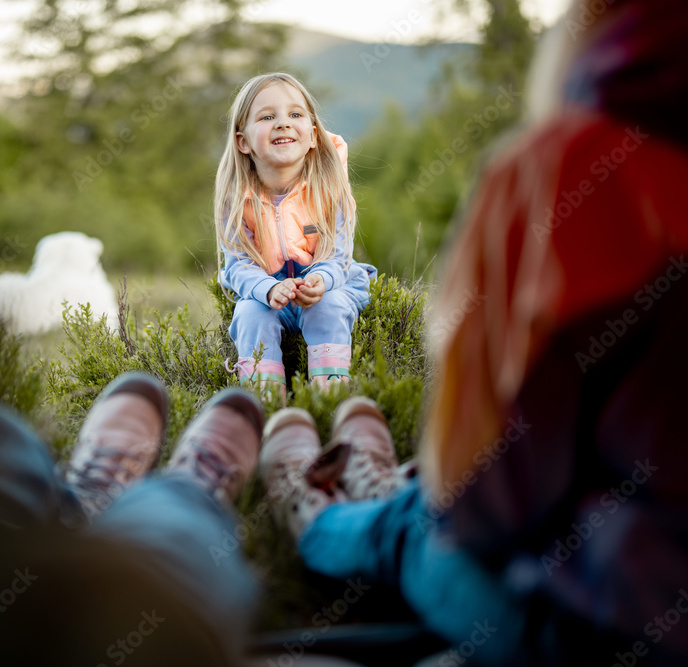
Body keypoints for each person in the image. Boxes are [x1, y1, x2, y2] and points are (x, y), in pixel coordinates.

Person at [257, 0, 688, 664]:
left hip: (600, 628)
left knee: (422, 520)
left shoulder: (580, 167)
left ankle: (317, 513)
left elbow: (479, 506)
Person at [214, 72, 376, 403]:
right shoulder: (235, 200)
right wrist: (268, 288)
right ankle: (266, 403)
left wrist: (321, 279)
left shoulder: (330, 191)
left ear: (314, 136)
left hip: (329, 286)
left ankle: (329, 399)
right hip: (270, 292)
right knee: (249, 314)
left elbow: (339, 254)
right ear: (243, 141)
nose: (283, 123)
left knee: (328, 307)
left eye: (295, 114)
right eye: (267, 116)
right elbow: (237, 265)